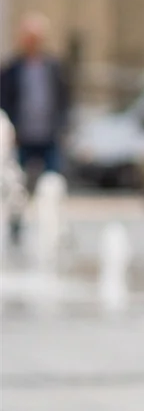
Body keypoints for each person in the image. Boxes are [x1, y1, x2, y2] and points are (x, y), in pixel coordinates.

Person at [0, 13, 71, 243]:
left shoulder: (54, 66)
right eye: (28, 37)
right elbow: (4, 101)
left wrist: (63, 127)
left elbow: (64, 99)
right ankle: (16, 228)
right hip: (22, 137)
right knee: (17, 185)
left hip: (48, 135)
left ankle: (58, 229)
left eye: (36, 37)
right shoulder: (13, 69)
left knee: (54, 182)